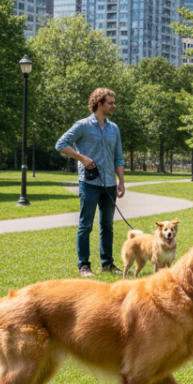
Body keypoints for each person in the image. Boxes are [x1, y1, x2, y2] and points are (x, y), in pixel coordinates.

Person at [56, 88, 126, 277]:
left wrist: (121, 181)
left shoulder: (114, 128)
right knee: (86, 225)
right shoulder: (83, 126)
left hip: (110, 184)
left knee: (107, 226)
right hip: (89, 183)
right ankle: (84, 266)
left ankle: (107, 264)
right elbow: (60, 144)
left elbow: (118, 157)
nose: (114, 106)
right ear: (99, 103)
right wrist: (82, 158)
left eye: (114, 102)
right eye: (110, 103)